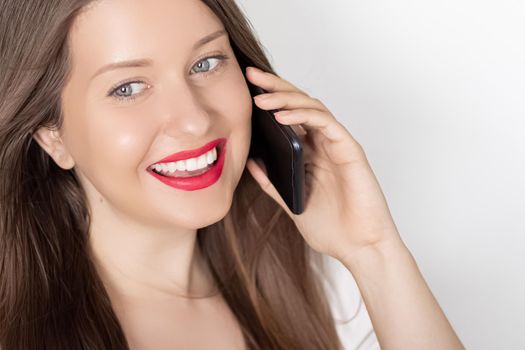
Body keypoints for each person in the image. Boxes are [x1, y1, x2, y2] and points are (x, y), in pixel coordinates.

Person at [0, 0, 465, 349]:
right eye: (128, 87)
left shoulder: (323, 292)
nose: (194, 120)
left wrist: (373, 251)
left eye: (206, 63)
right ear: (51, 136)